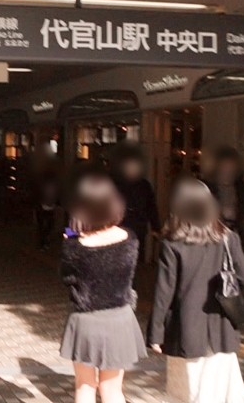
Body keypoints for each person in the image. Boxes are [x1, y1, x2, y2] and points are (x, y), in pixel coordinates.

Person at [147, 177, 244, 403]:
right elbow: (243, 276)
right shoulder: (228, 238)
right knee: (222, 390)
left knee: (191, 391)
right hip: (222, 327)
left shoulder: (172, 243)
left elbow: (164, 292)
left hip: (186, 329)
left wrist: (155, 333)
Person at [60, 166, 147, 403]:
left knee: (84, 388)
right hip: (120, 318)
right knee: (113, 391)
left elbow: (67, 278)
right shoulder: (130, 239)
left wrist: (69, 243)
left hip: (86, 320)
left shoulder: (74, 246)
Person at [205, 146, 244, 260]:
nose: (228, 169)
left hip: (235, 237)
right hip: (212, 239)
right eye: (225, 165)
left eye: (231, 165)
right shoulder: (208, 187)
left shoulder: (241, 188)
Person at [110, 142, 162, 264]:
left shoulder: (144, 185)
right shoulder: (115, 182)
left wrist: (156, 227)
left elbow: (151, 206)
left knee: (135, 257)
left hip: (138, 226)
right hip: (119, 225)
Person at [31, 141, 63, 251]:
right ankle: (43, 241)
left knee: (46, 223)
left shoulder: (46, 180)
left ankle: (43, 241)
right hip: (45, 203)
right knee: (46, 223)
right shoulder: (48, 180)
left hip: (46, 203)